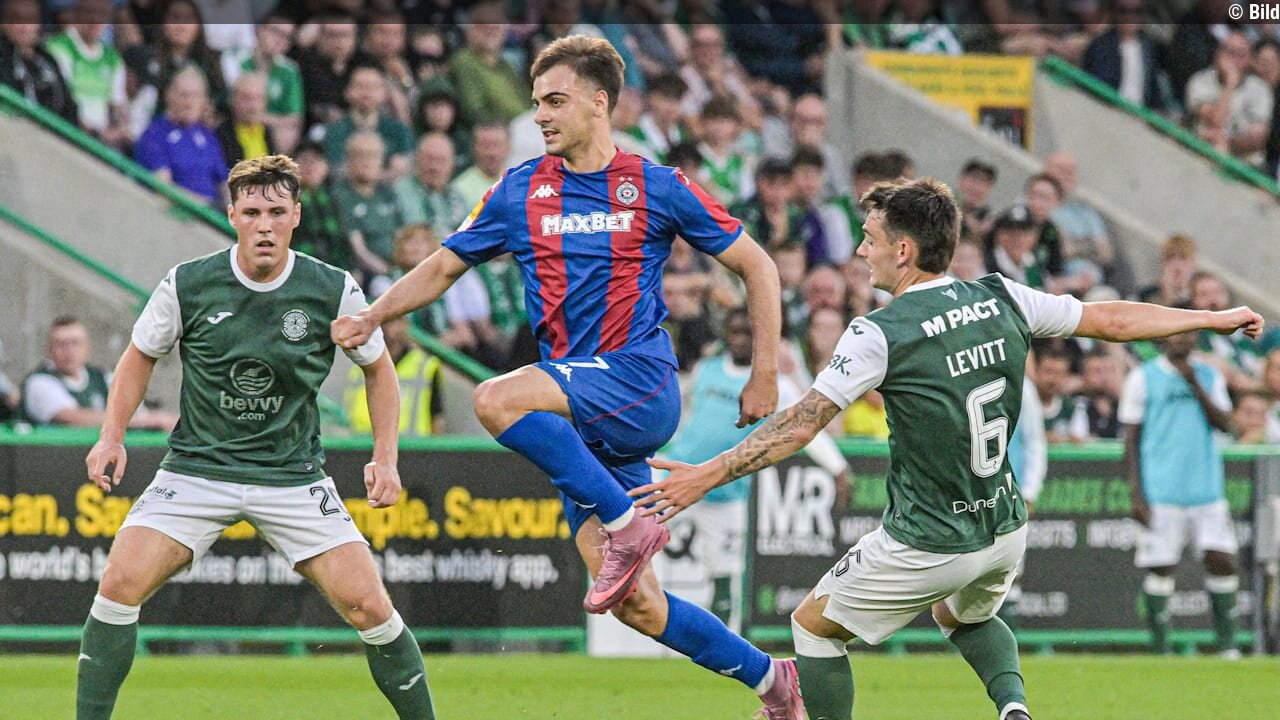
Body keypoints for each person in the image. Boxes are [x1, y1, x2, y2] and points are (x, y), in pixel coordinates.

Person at [633, 177, 1265, 720]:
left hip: (929, 538)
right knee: (965, 617)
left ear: (904, 250)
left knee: (812, 629)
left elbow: (799, 425)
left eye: (871, 240)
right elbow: (1114, 321)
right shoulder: (1002, 295)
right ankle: (1014, 708)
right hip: (1003, 526)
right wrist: (1208, 319)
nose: (862, 251)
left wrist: (704, 475)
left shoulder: (878, 333)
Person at [333, 36, 804, 719]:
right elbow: (441, 268)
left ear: (599, 102)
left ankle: (627, 524)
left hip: (638, 381)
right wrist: (375, 314)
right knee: (638, 606)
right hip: (579, 415)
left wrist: (763, 374)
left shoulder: (656, 185)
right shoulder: (519, 190)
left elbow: (757, 265)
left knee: (495, 399)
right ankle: (774, 683)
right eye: (536, 104)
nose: (541, 116)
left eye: (555, 101)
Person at [77, 156, 437, 719]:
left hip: (292, 476)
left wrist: (385, 458)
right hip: (197, 471)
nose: (264, 225)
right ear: (232, 217)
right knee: (119, 583)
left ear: (296, 215)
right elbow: (139, 355)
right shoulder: (189, 283)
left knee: (369, 607)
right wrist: (111, 436)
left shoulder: (331, 288)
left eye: (275, 212)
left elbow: (379, 369)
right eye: (251, 213)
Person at [1120, 326, 1241, 657]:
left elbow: (1226, 424)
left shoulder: (1209, 375)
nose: (1182, 339)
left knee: (1221, 559)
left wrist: (1194, 384)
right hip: (1162, 489)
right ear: (1164, 337)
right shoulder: (1143, 377)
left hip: (1206, 488)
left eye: (1189, 334)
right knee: (1160, 566)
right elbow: (1130, 439)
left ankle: (1228, 647)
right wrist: (1137, 493)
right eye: (1177, 333)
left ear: (1196, 338)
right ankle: (1161, 649)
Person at [21, 316, 175, 430]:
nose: (69, 351)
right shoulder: (39, 382)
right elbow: (72, 418)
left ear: (87, 347)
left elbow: (135, 409)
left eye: (75, 343)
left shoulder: (101, 377)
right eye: (61, 344)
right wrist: (148, 421)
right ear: (49, 350)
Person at [345, 315, 444, 437]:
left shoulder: (425, 367)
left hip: (412, 445)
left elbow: (437, 418)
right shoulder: (360, 366)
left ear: (405, 324)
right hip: (365, 445)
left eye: (394, 321)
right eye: (384, 322)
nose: (388, 328)